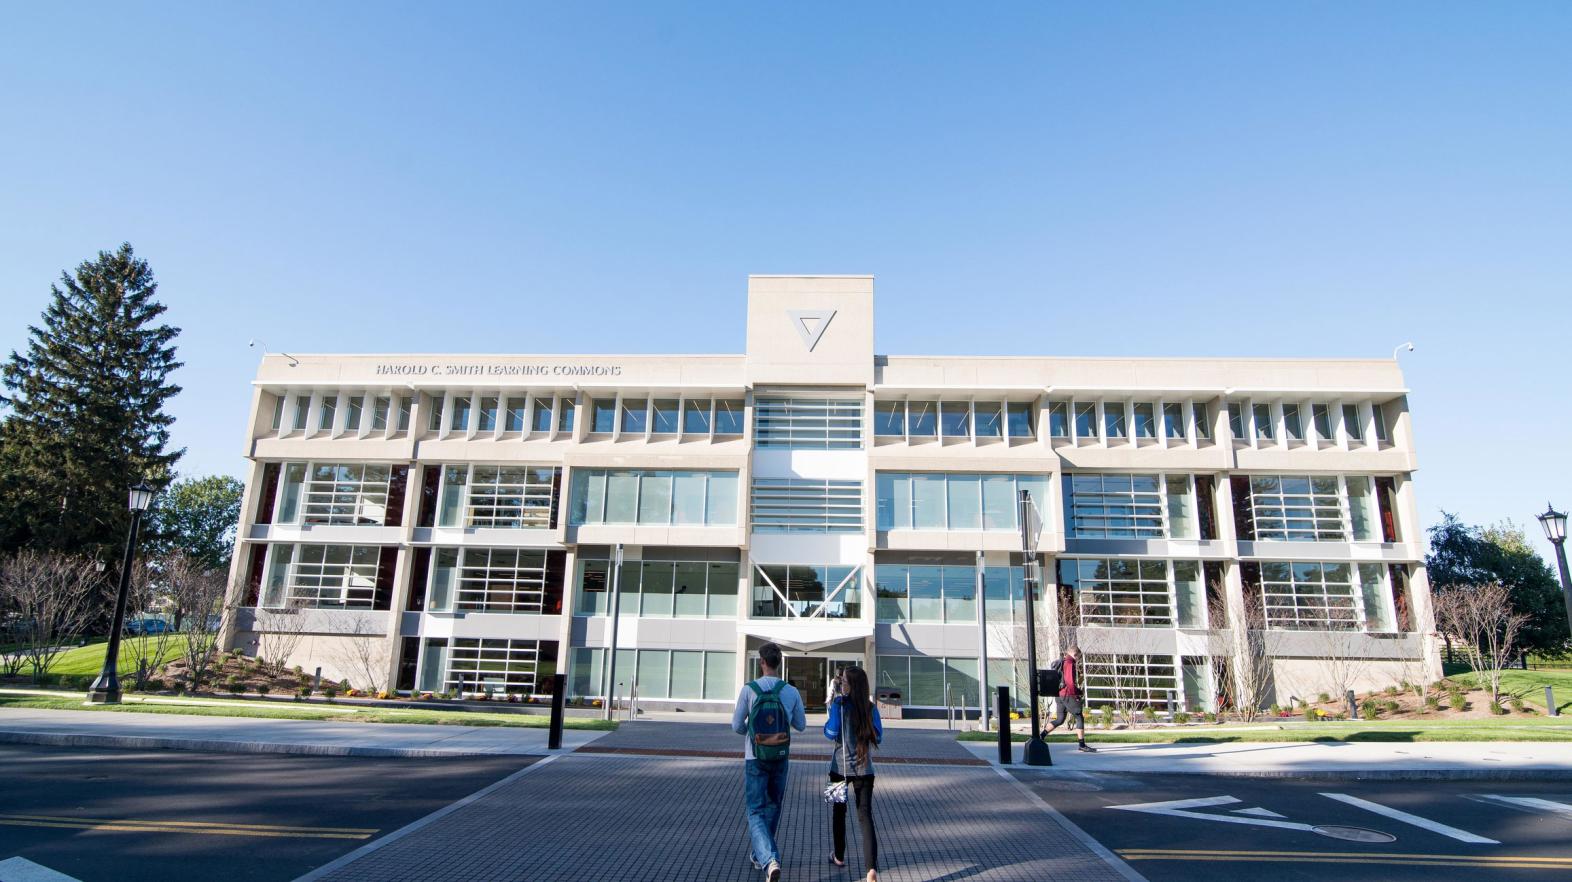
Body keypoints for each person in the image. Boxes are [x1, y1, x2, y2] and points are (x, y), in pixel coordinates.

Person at [732, 642, 806, 882]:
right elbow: (801, 725)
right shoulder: (790, 691)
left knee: (755, 810)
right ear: (779, 663)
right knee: (773, 805)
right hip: (781, 757)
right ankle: (761, 854)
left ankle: (769, 859)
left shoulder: (748, 690)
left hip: (755, 757)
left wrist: (754, 734)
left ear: (762, 662)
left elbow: (736, 725)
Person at [824, 666, 882, 882]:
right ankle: (871, 870)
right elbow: (879, 737)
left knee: (838, 813)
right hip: (865, 769)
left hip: (838, 769)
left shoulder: (840, 705)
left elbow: (830, 733)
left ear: (851, 684)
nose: (842, 683)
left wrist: (836, 706)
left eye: (845, 680)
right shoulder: (870, 708)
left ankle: (839, 856)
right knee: (865, 817)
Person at [1041, 645, 1096, 753]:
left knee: (1060, 719)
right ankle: (1082, 745)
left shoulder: (1062, 662)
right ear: (1075, 654)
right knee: (1079, 716)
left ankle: (1041, 736)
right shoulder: (1070, 663)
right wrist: (1076, 694)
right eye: (1078, 658)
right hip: (1068, 694)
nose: (1078, 660)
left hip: (1059, 695)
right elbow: (1070, 682)